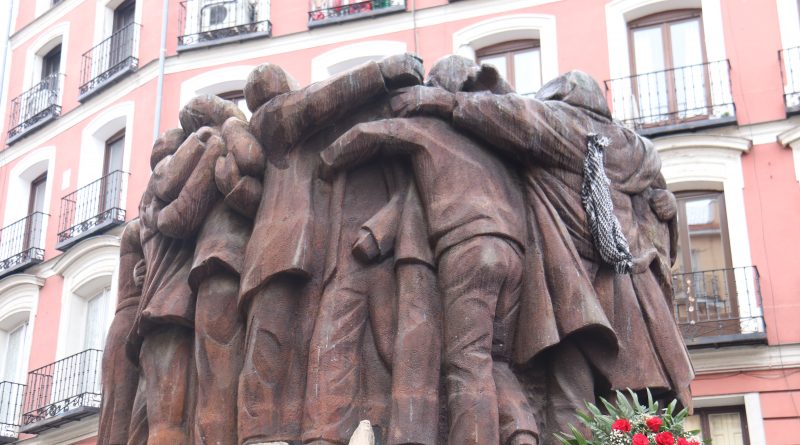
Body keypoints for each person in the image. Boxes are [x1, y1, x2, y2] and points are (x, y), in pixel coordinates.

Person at [388, 69, 694, 442]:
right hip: (633, 292)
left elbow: (520, 118)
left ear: (562, 103)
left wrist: (445, 101)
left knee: (570, 399)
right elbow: (662, 216)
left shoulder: (573, 129)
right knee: (631, 401)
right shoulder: (637, 152)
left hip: (579, 287)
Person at [319, 57, 540, 445]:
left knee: (466, 361)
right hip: (512, 255)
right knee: (493, 358)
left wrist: (328, 157)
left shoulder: (428, 129)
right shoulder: (498, 151)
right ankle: (522, 432)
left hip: (466, 248)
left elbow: (368, 136)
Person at [234, 54, 423, 444]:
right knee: (268, 342)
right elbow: (317, 101)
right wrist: (380, 73)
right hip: (280, 250)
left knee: (303, 345)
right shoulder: (274, 119)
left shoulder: (309, 135)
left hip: (313, 254)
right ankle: (257, 434)